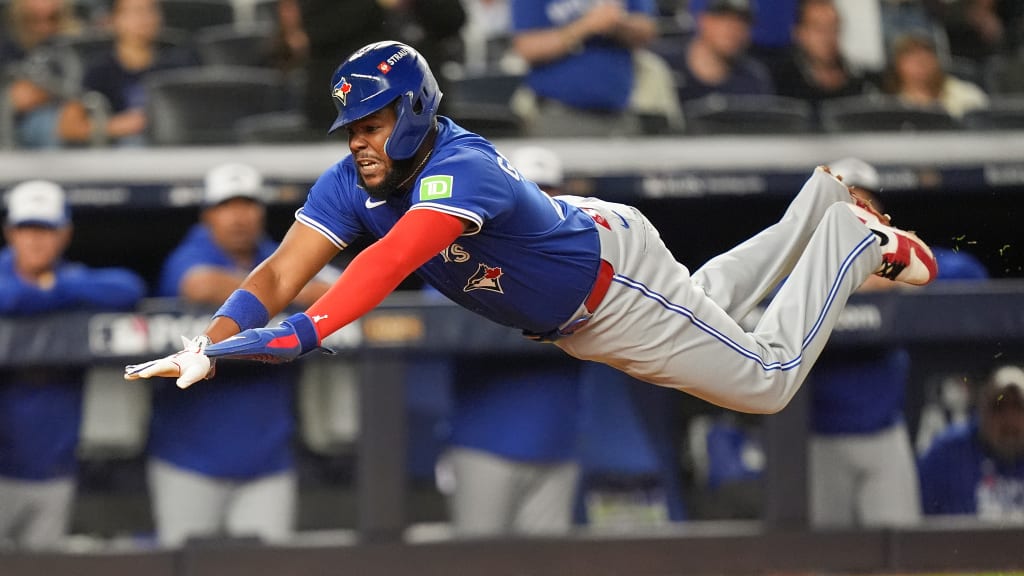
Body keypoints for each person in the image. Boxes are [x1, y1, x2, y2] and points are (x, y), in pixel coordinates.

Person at [123, 41, 939, 436]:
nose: (356, 141)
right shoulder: (354, 179)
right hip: (580, 267)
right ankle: (819, 210)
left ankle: (852, 243)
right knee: (706, 307)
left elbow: (387, 263)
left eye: (370, 124)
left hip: (607, 288)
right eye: (350, 128)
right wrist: (213, 341)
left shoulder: (458, 165)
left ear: (411, 113)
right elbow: (273, 275)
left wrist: (285, 339)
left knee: (766, 379)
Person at [144, 163, 335, 546]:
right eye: (227, 206)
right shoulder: (193, 251)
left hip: (268, 463)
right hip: (187, 462)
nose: (238, 217)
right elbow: (198, 283)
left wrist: (281, 283)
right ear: (208, 215)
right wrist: (277, 290)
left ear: (260, 211)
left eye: (246, 204)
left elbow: (334, 289)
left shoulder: (275, 253)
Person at [437, 145, 583, 536]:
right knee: (479, 565)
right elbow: (439, 321)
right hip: (484, 447)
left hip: (558, 446)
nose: (542, 200)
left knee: (548, 568)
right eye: (531, 189)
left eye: (549, 190)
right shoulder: (463, 254)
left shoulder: (586, 260)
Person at [0, 180, 145, 549]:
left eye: (45, 229)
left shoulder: (74, 279)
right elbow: (9, 295)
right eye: (26, 228)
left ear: (64, 233)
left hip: (54, 470)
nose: (35, 240)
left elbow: (129, 287)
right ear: (9, 232)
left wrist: (57, 290)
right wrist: (53, 294)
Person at [804, 158, 922, 529]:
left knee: (899, 554)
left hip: (883, 433)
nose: (858, 213)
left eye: (866, 206)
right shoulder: (800, 260)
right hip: (819, 438)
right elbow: (782, 294)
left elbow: (961, 273)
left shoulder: (900, 258)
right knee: (823, 560)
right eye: (847, 204)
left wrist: (890, 275)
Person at [57, 0, 197, 147]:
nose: (144, 18)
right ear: (114, 19)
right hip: (121, 150)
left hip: (172, 146)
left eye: (150, 10)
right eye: (135, 11)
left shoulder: (180, 65)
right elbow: (68, 128)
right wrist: (115, 126)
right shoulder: (99, 71)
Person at [509, 0, 660, 137]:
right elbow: (527, 48)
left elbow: (648, 29)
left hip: (620, 115)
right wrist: (586, 26)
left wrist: (616, 23)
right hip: (559, 117)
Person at [917, 364, 1024, 520]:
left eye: (1018, 407)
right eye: (998, 408)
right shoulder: (946, 454)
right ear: (982, 411)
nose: (1009, 420)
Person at [1, 0, 83, 148]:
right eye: (33, 20)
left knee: (47, 123)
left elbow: (83, 88)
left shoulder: (74, 45)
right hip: (11, 121)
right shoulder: (7, 45)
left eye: (53, 18)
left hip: (60, 117)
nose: (44, 27)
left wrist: (47, 94)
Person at [771, 0, 870, 114]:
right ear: (799, 33)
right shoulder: (782, 82)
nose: (828, 37)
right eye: (819, 29)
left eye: (834, 28)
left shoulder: (859, 79)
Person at [671, 0, 775, 103]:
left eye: (742, 22)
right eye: (724, 19)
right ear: (703, 20)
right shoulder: (667, 65)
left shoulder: (753, 79)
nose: (733, 29)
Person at [882, 33, 989, 119]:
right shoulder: (886, 104)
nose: (920, 63)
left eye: (926, 57)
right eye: (912, 58)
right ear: (897, 65)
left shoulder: (967, 94)